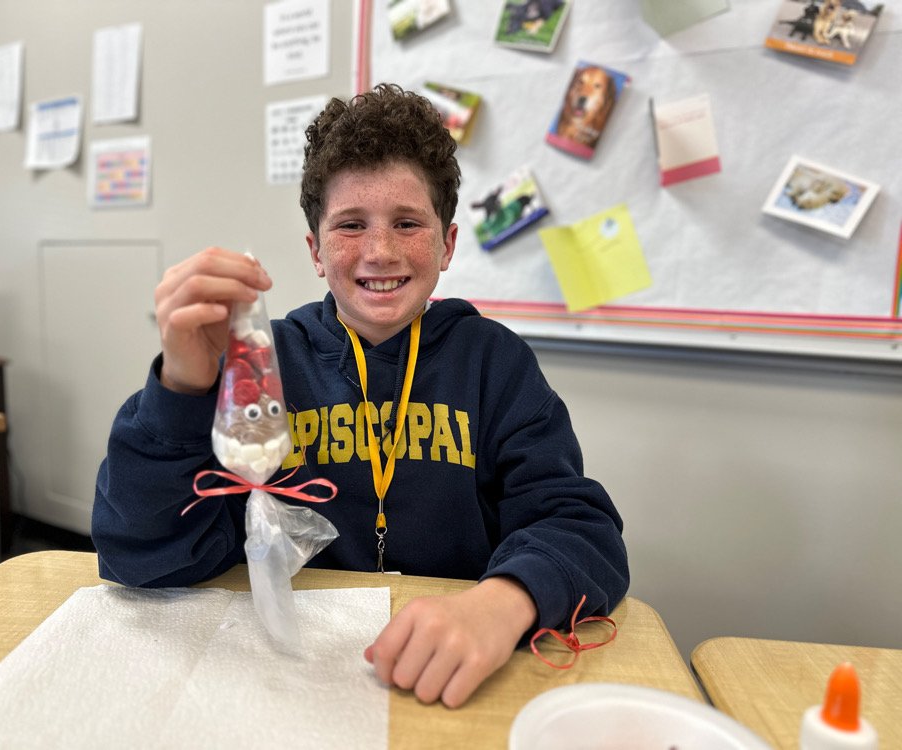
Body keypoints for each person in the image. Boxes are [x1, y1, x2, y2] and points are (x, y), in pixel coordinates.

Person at [92, 83, 628, 708]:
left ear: (447, 244)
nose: (380, 250)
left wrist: (503, 603)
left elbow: (580, 528)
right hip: (284, 674)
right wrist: (182, 387)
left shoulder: (494, 363)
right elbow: (137, 551)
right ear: (316, 251)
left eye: (407, 222)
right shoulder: (262, 363)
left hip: (446, 675)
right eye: (350, 226)